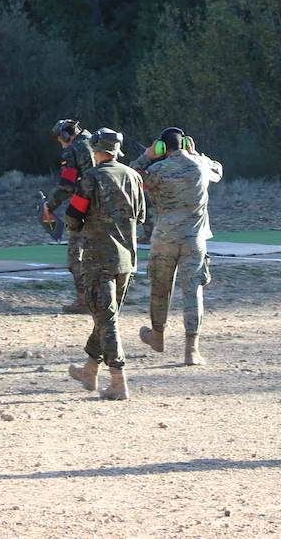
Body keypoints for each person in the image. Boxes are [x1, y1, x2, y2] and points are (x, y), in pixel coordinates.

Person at [131, 127, 223, 365]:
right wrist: (196, 154)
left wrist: (147, 157)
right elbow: (218, 171)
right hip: (194, 239)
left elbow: (129, 180)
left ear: (163, 148)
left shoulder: (157, 170)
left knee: (160, 289)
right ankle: (191, 349)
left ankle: (158, 336)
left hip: (164, 239)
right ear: (185, 144)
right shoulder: (200, 166)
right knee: (193, 291)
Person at [65, 128, 146, 400]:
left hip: (98, 259)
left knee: (106, 319)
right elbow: (142, 216)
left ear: (95, 149)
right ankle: (89, 369)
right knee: (106, 316)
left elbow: (74, 217)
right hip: (127, 260)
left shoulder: (91, 177)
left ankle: (118, 380)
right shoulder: (134, 176)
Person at [42, 119, 96, 313]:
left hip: (85, 208)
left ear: (64, 136)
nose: (61, 144)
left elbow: (67, 184)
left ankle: (84, 301)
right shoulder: (98, 142)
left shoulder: (73, 149)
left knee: (76, 257)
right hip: (109, 209)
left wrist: (50, 205)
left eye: (60, 140)